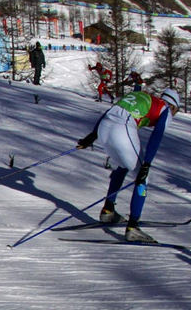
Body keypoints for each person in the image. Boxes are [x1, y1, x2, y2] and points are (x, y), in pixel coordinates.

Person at [76, 88, 181, 243]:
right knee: (143, 178)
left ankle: (108, 210)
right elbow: (157, 135)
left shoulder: (142, 97)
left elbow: (111, 111)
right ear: (173, 106)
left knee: (123, 165)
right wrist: (147, 164)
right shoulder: (165, 108)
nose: (173, 115)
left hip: (104, 128)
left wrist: (91, 136)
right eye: (176, 112)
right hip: (122, 128)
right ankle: (133, 227)